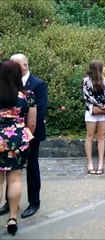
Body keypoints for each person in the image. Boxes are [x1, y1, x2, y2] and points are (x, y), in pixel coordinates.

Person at [0, 54, 48, 219]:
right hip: (19, 135)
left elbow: (40, 111)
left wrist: (27, 135)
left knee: (32, 167)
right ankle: (10, 204)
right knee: (11, 173)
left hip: (30, 134)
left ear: (24, 66)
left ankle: (34, 202)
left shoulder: (38, 84)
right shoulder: (7, 84)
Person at [0, 60, 36, 235]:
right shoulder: (27, 95)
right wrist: (23, 137)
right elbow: (32, 123)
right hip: (18, 139)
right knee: (15, 179)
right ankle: (12, 218)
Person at [82, 60, 105, 175]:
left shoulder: (104, 80)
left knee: (101, 137)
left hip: (103, 112)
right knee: (89, 136)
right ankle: (89, 162)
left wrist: (104, 104)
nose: (104, 68)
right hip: (91, 111)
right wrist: (101, 104)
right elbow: (87, 97)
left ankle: (101, 162)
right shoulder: (86, 81)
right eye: (102, 67)